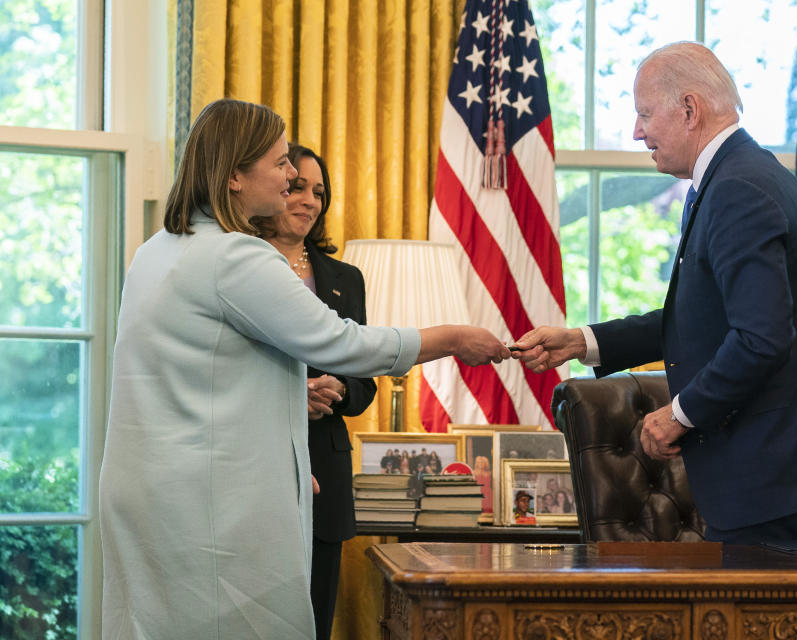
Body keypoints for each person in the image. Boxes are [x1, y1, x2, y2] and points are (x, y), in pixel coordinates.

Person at [99, 98, 511, 640]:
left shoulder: (156, 250)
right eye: (278, 162)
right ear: (233, 179)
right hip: (208, 505)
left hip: (153, 492)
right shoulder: (235, 257)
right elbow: (343, 344)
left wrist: (283, 463)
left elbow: (200, 382)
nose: (292, 174)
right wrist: (452, 337)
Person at [512, 42, 797, 544]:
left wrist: (679, 414)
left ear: (689, 109)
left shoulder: (738, 188)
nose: (636, 131)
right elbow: (702, 317)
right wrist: (583, 341)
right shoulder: (740, 175)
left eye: (645, 113)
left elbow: (761, 339)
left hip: (791, 480)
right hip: (795, 475)